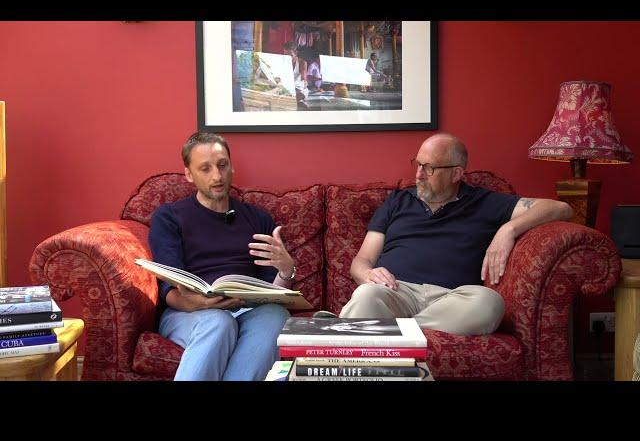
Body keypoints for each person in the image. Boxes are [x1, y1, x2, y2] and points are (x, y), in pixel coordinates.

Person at [325, 133, 573, 336]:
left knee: (489, 303)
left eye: (430, 168)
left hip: (454, 298)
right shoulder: (397, 201)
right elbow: (361, 260)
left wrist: (508, 229)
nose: (419, 174)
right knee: (366, 294)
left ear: (456, 173)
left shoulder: (485, 202)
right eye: (418, 164)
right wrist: (368, 274)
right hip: (396, 292)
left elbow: (561, 207)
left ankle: (385, 332)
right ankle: (397, 330)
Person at [148, 131, 296, 381]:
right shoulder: (170, 217)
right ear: (188, 174)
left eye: (222, 165)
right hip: (190, 313)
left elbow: (274, 292)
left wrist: (286, 270)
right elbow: (169, 287)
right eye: (205, 168)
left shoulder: (257, 218)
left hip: (249, 309)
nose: (216, 176)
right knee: (219, 323)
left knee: (277, 316)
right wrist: (198, 304)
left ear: (231, 166)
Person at [283, 41, 309, 109]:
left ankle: (297, 99)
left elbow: (304, 78)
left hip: (298, 88)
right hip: (286, 88)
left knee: (302, 93)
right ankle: (297, 100)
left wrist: (304, 82)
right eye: (286, 55)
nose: (288, 57)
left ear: (296, 53)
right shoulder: (283, 62)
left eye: (290, 55)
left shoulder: (302, 62)